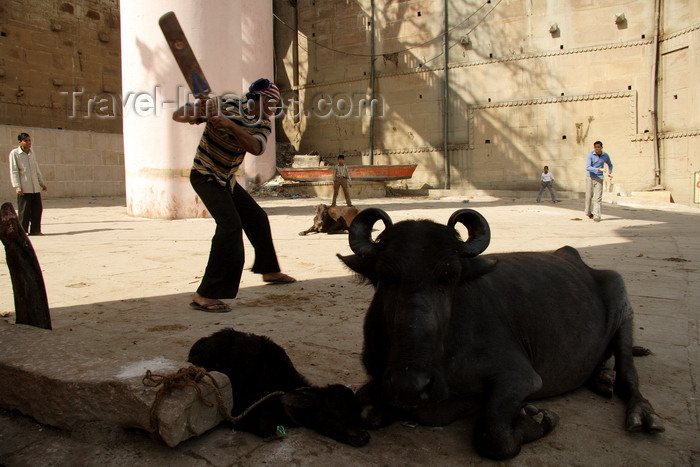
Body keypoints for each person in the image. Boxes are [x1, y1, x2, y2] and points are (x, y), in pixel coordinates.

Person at [173, 78, 296, 313]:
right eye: (271, 102)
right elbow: (177, 116)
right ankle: (205, 294)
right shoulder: (226, 103)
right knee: (230, 226)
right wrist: (197, 110)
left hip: (227, 179)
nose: (273, 108)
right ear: (258, 98)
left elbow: (256, 148)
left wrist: (230, 125)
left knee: (257, 218)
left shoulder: (263, 122)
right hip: (205, 174)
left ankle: (269, 271)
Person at [8, 132, 48, 235]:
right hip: (24, 187)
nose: (29, 143)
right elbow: (14, 171)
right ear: (20, 142)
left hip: (35, 187)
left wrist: (41, 183)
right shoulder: (15, 153)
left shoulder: (31, 153)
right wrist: (17, 186)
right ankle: (22, 231)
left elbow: (36, 169)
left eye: (29, 140)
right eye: (26, 141)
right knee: (24, 211)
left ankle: (35, 230)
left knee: (37, 209)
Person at [584, 140, 613, 222]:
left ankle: (596, 215)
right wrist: (598, 169)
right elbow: (588, 167)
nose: (597, 149)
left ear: (601, 147)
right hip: (590, 177)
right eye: (595, 147)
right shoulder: (590, 155)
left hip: (599, 178)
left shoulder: (605, 156)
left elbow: (610, 165)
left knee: (598, 198)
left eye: (598, 147)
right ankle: (588, 212)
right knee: (589, 196)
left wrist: (609, 172)